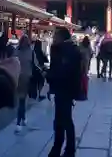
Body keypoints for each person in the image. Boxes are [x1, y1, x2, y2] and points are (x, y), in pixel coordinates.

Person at [47, 27, 82, 157]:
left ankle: (67, 149)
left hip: (65, 89)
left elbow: (63, 71)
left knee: (64, 120)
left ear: (61, 36)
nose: (53, 37)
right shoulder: (67, 49)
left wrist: (49, 76)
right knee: (61, 120)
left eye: (55, 35)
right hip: (64, 89)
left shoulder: (66, 51)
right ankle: (61, 148)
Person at [14, 34, 35, 133]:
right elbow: (35, 64)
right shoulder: (31, 52)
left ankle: (23, 118)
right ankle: (19, 122)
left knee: (21, 100)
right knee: (22, 100)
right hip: (27, 77)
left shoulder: (16, 51)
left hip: (17, 77)